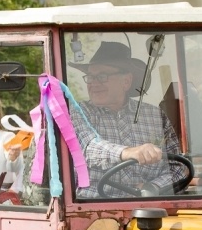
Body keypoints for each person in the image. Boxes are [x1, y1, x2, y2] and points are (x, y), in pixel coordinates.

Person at [68, 41, 186, 198]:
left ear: (126, 81)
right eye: (90, 77)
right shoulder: (78, 112)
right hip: (91, 207)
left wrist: (154, 186)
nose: (94, 83)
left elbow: (177, 167)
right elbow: (87, 148)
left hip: (148, 206)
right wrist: (129, 152)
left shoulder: (155, 116)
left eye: (102, 76)